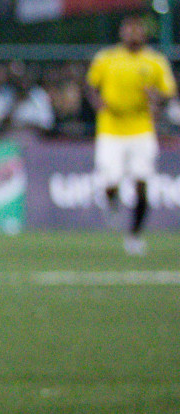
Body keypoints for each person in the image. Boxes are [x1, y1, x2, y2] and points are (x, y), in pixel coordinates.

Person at [87, 15, 177, 256]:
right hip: (111, 128)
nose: (133, 35)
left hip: (141, 129)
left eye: (138, 31)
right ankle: (111, 200)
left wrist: (155, 97)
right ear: (122, 33)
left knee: (141, 182)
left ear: (144, 34)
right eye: (129, 30)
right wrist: (97, 102)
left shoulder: (155, 61)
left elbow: (169, 92)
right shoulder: (107, 58)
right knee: (111, 180)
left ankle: (135, 235)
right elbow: (91, 85)